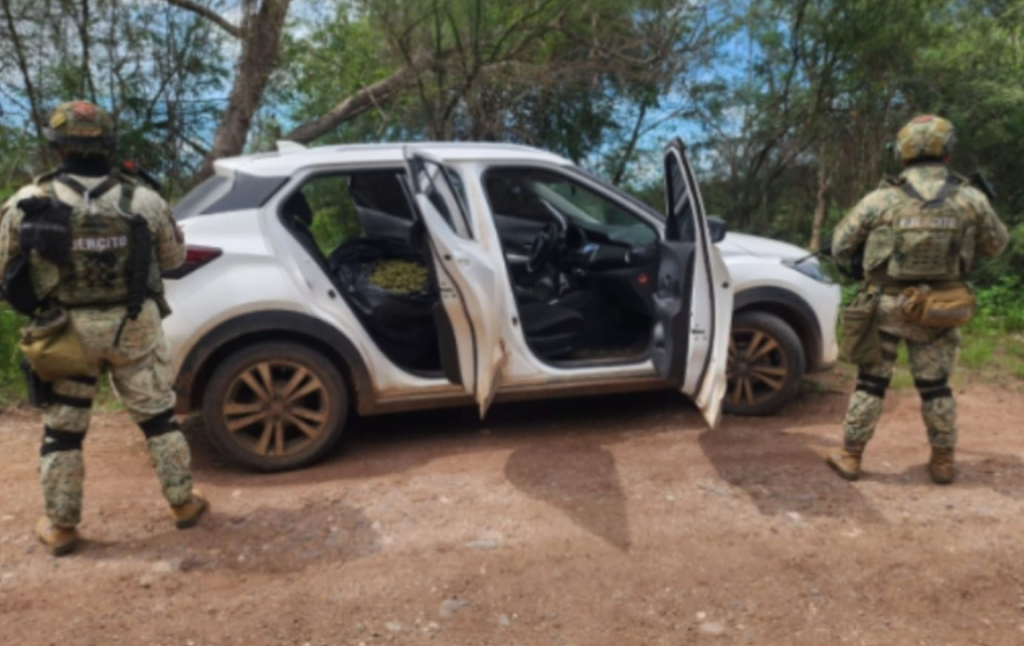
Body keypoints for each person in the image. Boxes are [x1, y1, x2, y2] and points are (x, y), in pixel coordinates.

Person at [0, 100, 208, 556]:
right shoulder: (144, 200)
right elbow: (173, 259)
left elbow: (5, 270)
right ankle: (183, 504)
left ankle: (61, 527)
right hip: (133, 326)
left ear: (57, 149)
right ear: (109, 146)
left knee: (63, 431)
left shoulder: (26, 202)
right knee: (158, 419)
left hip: (63, 331)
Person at [827, 115, 1009, 484]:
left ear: (903, 153)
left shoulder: (881, 199)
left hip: (885, 306)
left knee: (870, 383)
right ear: (947, 152)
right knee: (935, 386)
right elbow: (996, 245)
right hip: (940, 308)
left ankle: (850, 456)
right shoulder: (970, 198)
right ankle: (943, 462)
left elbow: (840, 245)